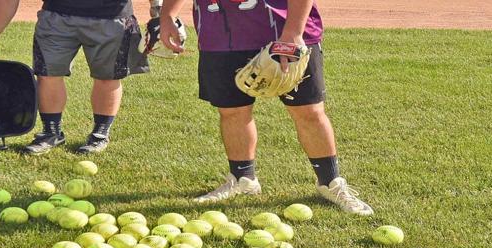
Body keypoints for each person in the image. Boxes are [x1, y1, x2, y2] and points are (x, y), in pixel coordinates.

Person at [158, 0, 372, 215]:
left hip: (283, 29)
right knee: (232, 112)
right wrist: (167, 14)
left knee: (308, 111)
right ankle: (243, 178)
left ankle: (330, 183)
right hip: (221, 33)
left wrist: (293, 32)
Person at [0, 0, 151, 155]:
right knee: (47, 74)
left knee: (108, 77)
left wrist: (158, 13)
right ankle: (51, 132)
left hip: (112, 17)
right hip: (55, 16)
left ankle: (100, 134)